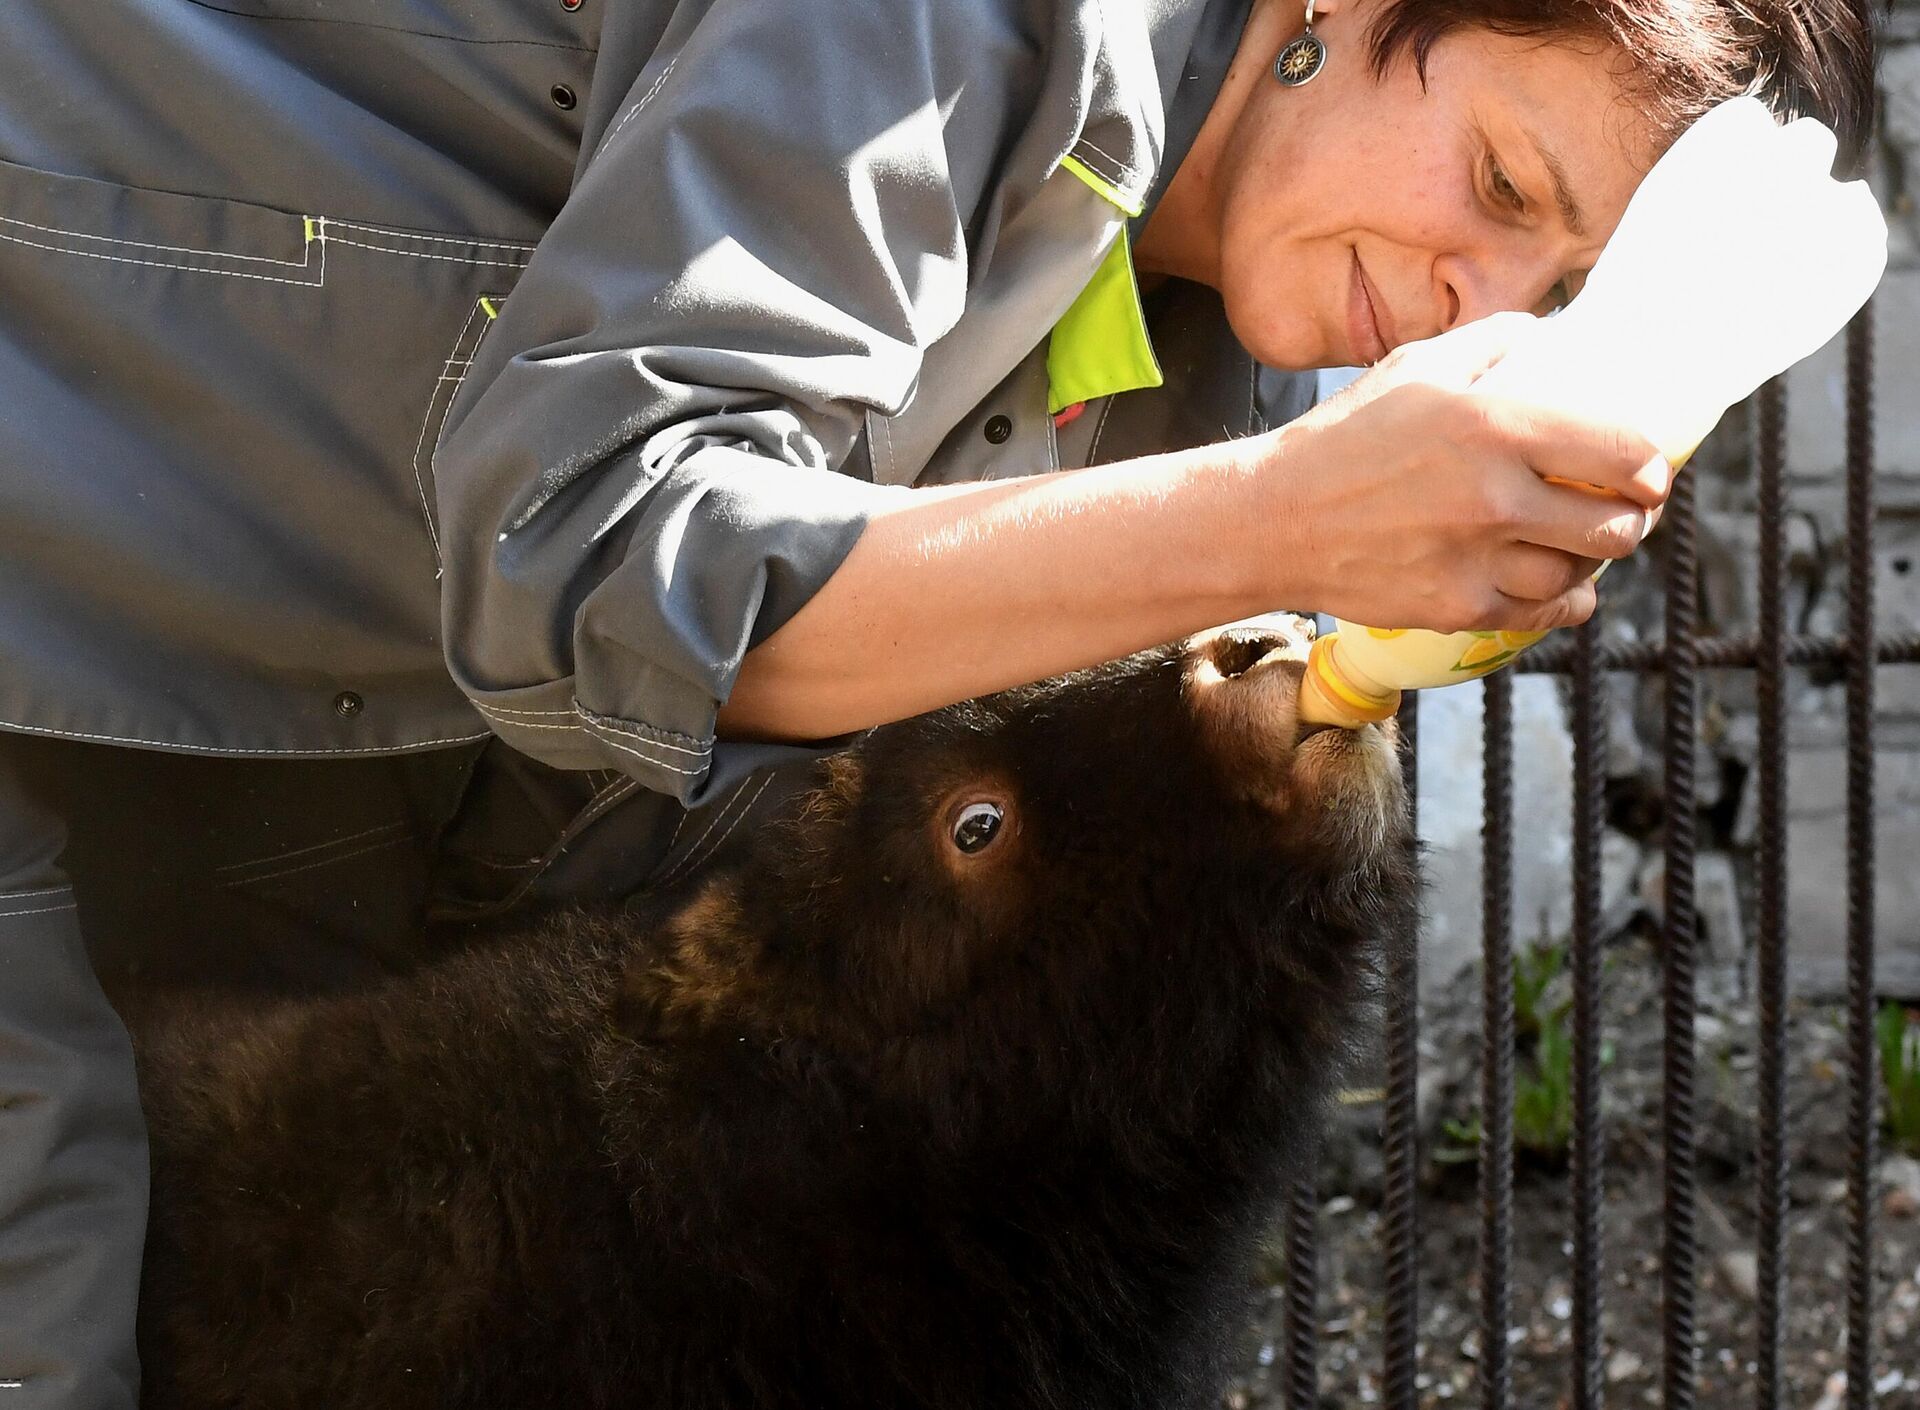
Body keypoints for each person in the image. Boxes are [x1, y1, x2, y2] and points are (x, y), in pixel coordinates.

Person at [0, 0, 1877, 1404]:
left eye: (1552, 297)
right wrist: (1280, 523)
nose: (1477, 302)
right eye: (1497, 183)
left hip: (227, 782)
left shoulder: (1218, 393)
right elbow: (584, 546)